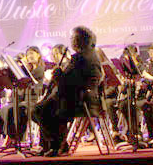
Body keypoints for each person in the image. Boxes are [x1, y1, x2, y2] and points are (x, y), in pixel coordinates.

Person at [33, 25, 103, 156]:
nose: (71, 41)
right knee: (41, 108)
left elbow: (70, 84)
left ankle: (56, 145)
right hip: (79, 98)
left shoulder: (82, 58)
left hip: (78, 101)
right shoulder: (89, 55)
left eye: (73, 37)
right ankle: (54, 144)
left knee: (40, 110)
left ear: (79, 40)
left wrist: (58, 75)